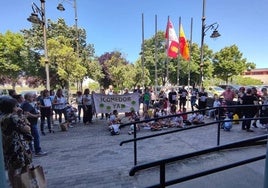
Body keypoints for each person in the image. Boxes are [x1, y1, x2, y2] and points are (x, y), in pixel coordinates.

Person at [0, 96, 33, 188]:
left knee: (12, 168)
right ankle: (22, 184)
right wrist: (21, 116)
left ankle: (14, 185)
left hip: (7, 145)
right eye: (16, 106)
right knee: (25, 165)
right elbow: (27, 128)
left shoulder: (2, 117)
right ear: (12, 107)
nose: (17, 107)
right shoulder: (13, 117)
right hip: (18, 145)